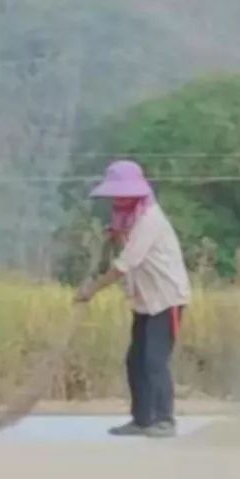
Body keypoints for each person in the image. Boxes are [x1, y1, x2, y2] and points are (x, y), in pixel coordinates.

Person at [75, 159, 191, 439]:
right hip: (144, 300)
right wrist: (113, 237)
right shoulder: (126, 219)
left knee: (154, 360)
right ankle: (142, 419)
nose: (119, 199)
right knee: (134, 360)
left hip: (166, 299)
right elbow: (118, 254)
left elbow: (124, 265)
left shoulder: (149, 220)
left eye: (123, 193)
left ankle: (165, 420)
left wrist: (92, 289)